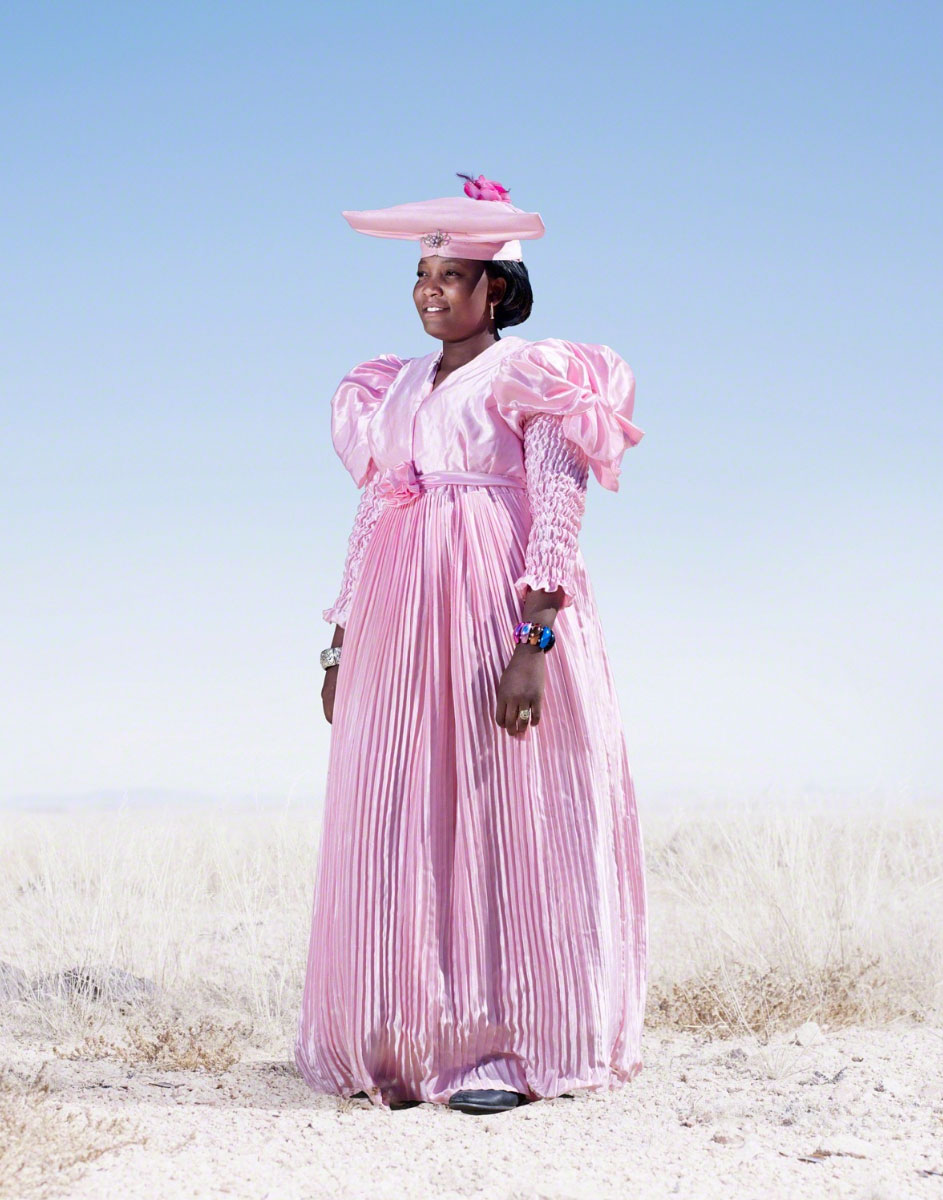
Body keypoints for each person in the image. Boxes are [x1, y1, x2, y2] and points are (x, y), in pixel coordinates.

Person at [294, 173, 649, 1116]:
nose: (430, 292)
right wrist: (340, 639)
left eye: (452, 277)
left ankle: (505, 1044)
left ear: (496, 289)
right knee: (403, 812)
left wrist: (533, 641)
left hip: (496, 610)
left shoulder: (534, 375)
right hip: (400, 618)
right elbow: (376, 508)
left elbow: (558, 512)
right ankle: (405, 1036)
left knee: (504, 815)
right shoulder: (393, 387)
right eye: (423, 275)